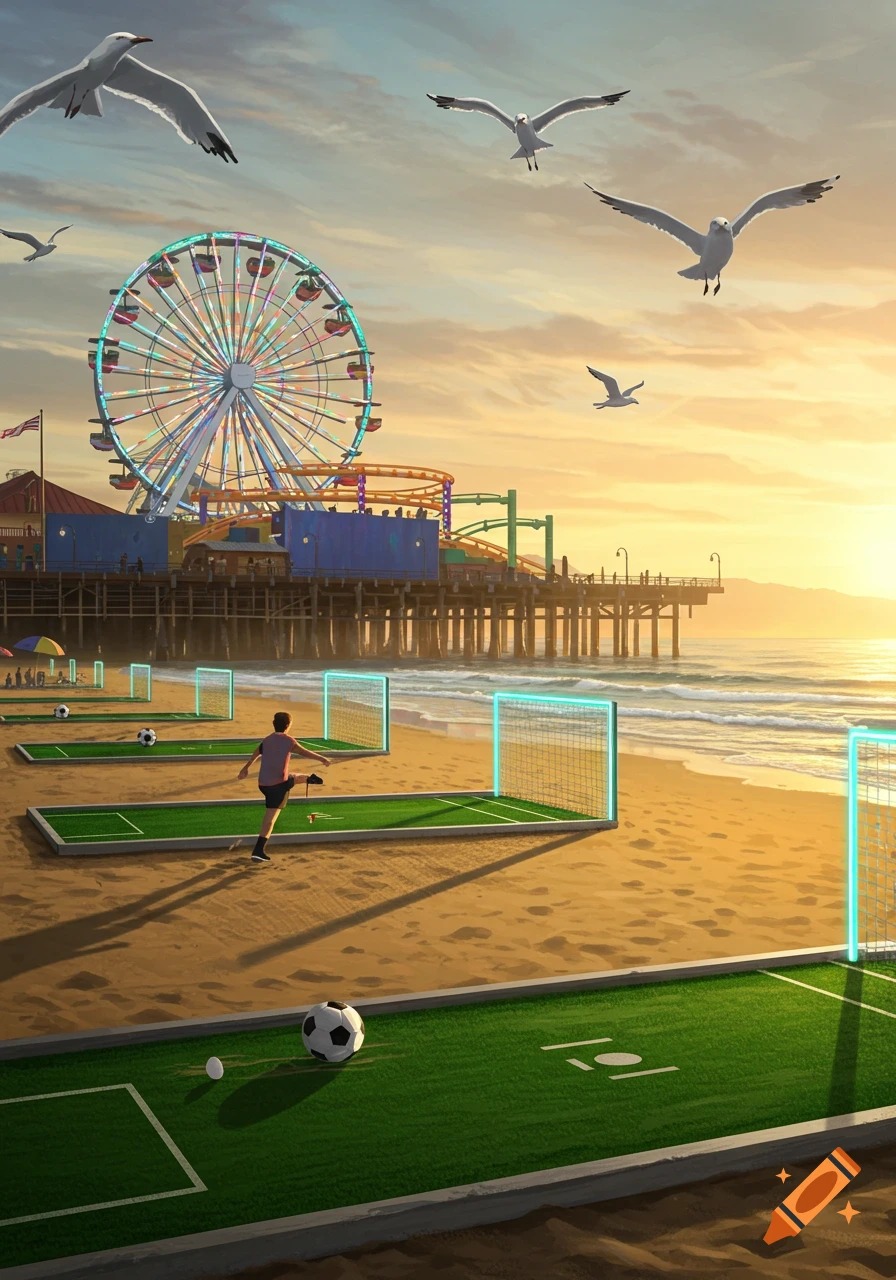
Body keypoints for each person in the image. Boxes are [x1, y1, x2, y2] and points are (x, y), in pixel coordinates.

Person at [238, 711, 331, 864]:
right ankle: (258, 851)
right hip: (276, 787)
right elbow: (304, 752)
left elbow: (256, 753)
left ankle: (309, 778)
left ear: (274, 724)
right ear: (288, 726)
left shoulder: (267, 740)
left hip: (263, 784)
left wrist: (245, 768)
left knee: (291, 777)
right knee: (270, 819)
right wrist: (322, 758)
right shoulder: (289, 741)